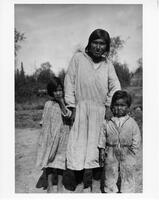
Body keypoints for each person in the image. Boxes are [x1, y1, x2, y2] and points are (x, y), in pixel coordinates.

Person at [63, 29, 121, 192]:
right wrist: (71, 106)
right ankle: (81, 185)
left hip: (100, 112)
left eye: (102, 44)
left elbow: (115, 86)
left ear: (106, 46)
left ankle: (95, 186)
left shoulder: (108, 64)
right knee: (78, 149)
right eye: (95, 42)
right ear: (90, 43)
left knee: (98, 149)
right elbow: (69, 82)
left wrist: (109, 106)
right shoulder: (78, 58)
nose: (98, 46)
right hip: (81, 110)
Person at [98, 90, 141, 193]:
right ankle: (110, 191)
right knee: (110, 173)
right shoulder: (108, 122)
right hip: (111, 151)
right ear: (112, 106)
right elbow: (102, 136)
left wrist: (133, 151)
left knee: (127, 173)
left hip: (127, 152)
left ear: (128, 107)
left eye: (123, 105)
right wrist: (102, 150)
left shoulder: (131, 122)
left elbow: (136, 137)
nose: (119, 108)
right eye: (117, 105)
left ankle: (127, 192)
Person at [36, 78, 72, 193]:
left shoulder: (65, 103)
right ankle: (50, 184)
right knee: (50, 161)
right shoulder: (48, 104)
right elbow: (44, 121)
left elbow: (67, 115)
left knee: (60, 161)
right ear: (51, 92)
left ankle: (60, 185)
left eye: (60, 90)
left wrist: (61, 102)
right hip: (51, 137)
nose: (58, 93)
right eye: (55, 91)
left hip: (62, 137)